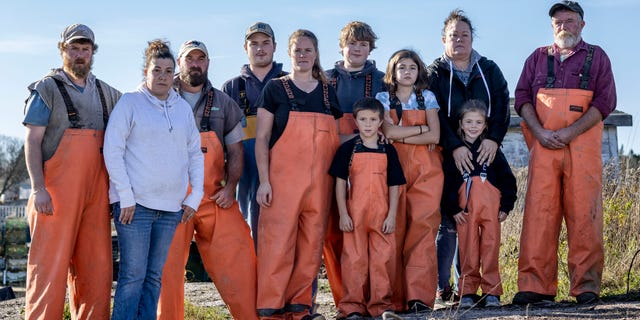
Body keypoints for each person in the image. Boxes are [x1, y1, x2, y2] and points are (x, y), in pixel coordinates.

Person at [512, 1, 617, 305]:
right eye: (558, 22)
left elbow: (605, 102)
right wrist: (542, 132)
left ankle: (586, 287)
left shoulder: (597, 57)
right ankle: (535, 286)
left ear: (582, 25)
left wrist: (570, 132)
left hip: (581, 147)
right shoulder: (536, 58)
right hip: (544, 146)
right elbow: (521, 99)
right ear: (552, 26)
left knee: (585, 215)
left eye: (570, 21)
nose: (564, 27)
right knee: (538, 216)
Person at [22, 23, 121, 320]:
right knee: (49, 270)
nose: (80, 55)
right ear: (62, 50)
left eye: (85, 49)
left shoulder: (107, 93)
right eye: (74, 48)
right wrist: (38, 188)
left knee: (97, 269)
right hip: (54, 195)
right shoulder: (47, 89)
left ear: (93, 53)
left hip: (95, 197)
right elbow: (32, 139)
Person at [158, 40, 258, 320]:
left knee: (240, 256)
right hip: (170, 200)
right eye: (190, 59)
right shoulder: (160, 94)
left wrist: (231, 188)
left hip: (214, 197)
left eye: (201, 58)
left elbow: (236, 150)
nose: (195, 64)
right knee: (166, 269)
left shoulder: (224, 102)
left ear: (208, 63)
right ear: (179, 63)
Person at [104, 39, 204, 320]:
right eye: (156, 70)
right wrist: (124, 195)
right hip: (134, 206)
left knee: (154, 277)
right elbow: (113, 149)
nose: (162, 76)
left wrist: (194, 195)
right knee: (132, 276)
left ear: (175, 75)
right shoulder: (130, 103)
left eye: (168, 71)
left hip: (171, 208)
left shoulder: (182, 109)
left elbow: (195, 154)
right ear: (145, 72)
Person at [255, 29, 342, 320]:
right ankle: (271, 308)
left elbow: (337, 138)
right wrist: (264, 181)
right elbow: (262, 139)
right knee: (277, 245)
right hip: (281, 183)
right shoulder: (275, 89)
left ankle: (300, 307)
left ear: (316, 54)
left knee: (310, 247)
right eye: (298, 51)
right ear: (289, 54)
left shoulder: (329, 92)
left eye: (308, 50)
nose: (303, 56)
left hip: (321, 183)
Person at [425, 9, 511, 304]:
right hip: (448, 151)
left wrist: (494, 141)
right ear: (443, 40)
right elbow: (433, 111)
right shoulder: (434, 72)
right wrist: (454, 145)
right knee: (450, 221)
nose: (459, 39)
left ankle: (471, 290)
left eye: (465, 35)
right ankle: (442, 287)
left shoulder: (489, 69)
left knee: (478, 226)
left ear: (472, 39)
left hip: (484, 149)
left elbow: (501, 107)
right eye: (453, 35)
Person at [322, 21, 386, 307]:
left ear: (370, 48)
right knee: (335, 231)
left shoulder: (384, 80)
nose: (357, 48)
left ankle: (377, 300)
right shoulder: (324, 80)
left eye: (363, 44)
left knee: (374, 235)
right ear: (341, 46)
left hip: (370, 166)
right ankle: (345, 301)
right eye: (352, 43)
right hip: (329, 161)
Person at [376, 49, 442, 313]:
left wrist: (400, 135)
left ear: (419, 72)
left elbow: (435, 136)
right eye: (401, 67)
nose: (407, 72)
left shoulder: (427, 97)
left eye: (412, 67)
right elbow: (387, 130)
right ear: (392, 72)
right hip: (392, 168)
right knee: (393, 230)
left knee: (422, 230)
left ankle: (419, 298)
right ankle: (392, 297)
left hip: (427, 171)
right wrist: (419, 130)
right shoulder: (382, 98)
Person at [329, 97, 405, 320]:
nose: (368, 124)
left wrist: (392, 215)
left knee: (383, 260)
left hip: (382, 215)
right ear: (356, 121)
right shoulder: (347, 149)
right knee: (354, 260)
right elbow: (340, 183)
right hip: (355, 214)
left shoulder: (388, 150)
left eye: (373, 119)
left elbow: (394, 185)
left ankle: (381, 307)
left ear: (381, 121)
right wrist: (343, 213)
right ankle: (352, 307)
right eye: (363, 119)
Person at [440, 100, 516, 309]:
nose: (473, 126)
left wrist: (506, 206)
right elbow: (446, 184)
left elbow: (508, 179)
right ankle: (467, 292)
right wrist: (453, 208)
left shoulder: (492, 151)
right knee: (467, 252)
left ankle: (492, 292)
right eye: (469, 122)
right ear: (461, 124)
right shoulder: (454, 153)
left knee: (490, 250)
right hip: (465, 212)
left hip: (491, 210)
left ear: (485, 126)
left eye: (478, 122)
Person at [223, 22, 287, 246]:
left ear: (275, 46)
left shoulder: (289, 82)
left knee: (284, 232)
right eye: (254, 44)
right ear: (245, 48)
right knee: (246, 230)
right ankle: (251, 280)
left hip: (284, 169)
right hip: (245, 172)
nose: (260, 49)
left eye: (265, 43)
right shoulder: (230, 88)